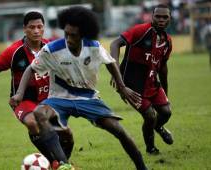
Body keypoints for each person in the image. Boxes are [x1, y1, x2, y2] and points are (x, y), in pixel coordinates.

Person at [11, 6, 147, 170]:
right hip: (59, 98)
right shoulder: (52, 49)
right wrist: (19, 94)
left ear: (84, 34)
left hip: (88, 98)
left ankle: (142, 167)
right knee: (40, 113)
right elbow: (31, 69)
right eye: (66, 33)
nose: (68, 38)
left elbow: (110, 63)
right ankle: (63, 165)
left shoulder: (94, 47)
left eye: (73, 35)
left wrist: (122, 87)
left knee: (119, 130)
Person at [0, 11, 74, 163]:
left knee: (67, 135)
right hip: (24, 100)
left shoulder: (51, 47)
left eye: (39, 27)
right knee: (32, 122)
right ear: (24, 29)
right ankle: (57, 163)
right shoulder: (14, 51)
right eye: (32, 27)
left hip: (49, 101)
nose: (36, 31)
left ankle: (62, 163)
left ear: (44, 28)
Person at [110, 4, 174, 155]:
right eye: (158, 16)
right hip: (132, 86)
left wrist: (165, 92)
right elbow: (115, 44)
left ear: (170, 19)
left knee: (166, 112)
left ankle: (159, 127)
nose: (161, 20)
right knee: (150, 115)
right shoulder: (140, 31)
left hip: (152, 84)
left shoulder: (167, 41)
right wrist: (115, 72)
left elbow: (163, 68)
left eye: (165, 17)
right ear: (152, 17)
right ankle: (151, 149)